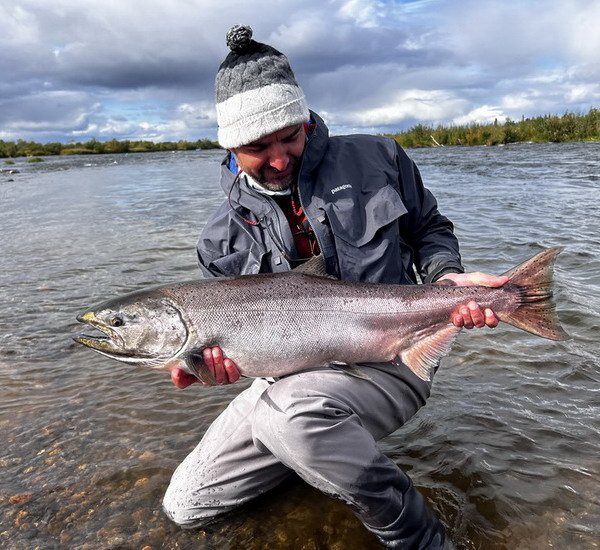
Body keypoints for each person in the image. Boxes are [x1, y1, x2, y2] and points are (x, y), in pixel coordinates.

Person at [162, 25, 507, 549]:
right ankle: (319, 458)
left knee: (292, 416)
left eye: (291, 137)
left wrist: (447, 280)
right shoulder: (219, 237)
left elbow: (430, 230)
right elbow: (223, 344)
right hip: (283, 381)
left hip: (389, 357)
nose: (279, 159)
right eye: (258, 147)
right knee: (187, 506)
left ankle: (419, 537)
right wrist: (209, 370)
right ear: (229, 145)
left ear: (306, 122)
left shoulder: (379, 158)